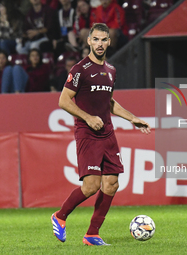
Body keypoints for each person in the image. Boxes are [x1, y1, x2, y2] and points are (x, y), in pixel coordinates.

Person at [51, 23, 150, 246]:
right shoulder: (79, 70)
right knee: (91, 186)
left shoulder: (111, 71)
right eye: (95, 39)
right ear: (88, 41)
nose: (99, 44)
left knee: (112, 183)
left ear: (109, 42)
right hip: (87, 133)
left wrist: (132, 118)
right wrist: (87, 117)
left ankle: (92, 234)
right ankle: (60, 216)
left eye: (103, 40)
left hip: (108, 133)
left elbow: (110, 103)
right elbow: (63, 100)